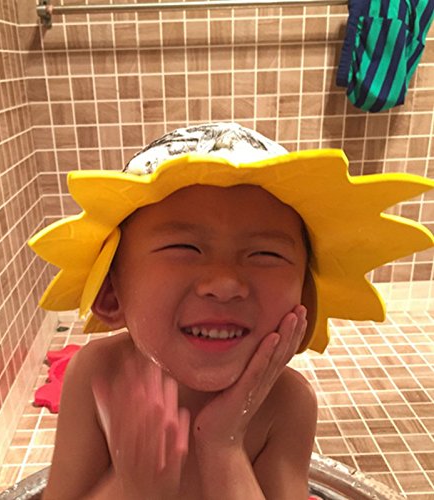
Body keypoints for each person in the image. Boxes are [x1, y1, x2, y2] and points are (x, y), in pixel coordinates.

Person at [29, 123, 433, 500]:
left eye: (266, 254)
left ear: (304, 303)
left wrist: (222, 444)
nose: (225, 283)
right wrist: (130, 485)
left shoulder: (286, 404)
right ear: (110, 294)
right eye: (184, 248)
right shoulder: (98, 376)